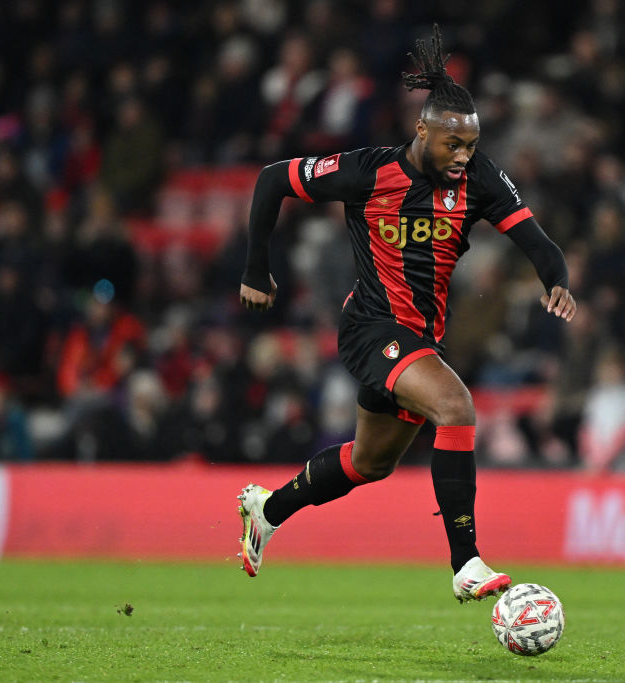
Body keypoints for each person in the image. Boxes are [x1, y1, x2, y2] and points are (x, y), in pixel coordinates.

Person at [235, 25, 576, 602]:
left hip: (420, 338)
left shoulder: (480, 178)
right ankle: (465, 563)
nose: (462, 156)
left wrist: (556, 281)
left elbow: (538, 241)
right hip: (371, 328)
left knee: (369, 464)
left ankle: (267, 509)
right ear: (423, 129)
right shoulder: (368, 171)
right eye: (452, 144)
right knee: (456, 405)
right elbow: (273, 180)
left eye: (470, 145)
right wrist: (255, 270)